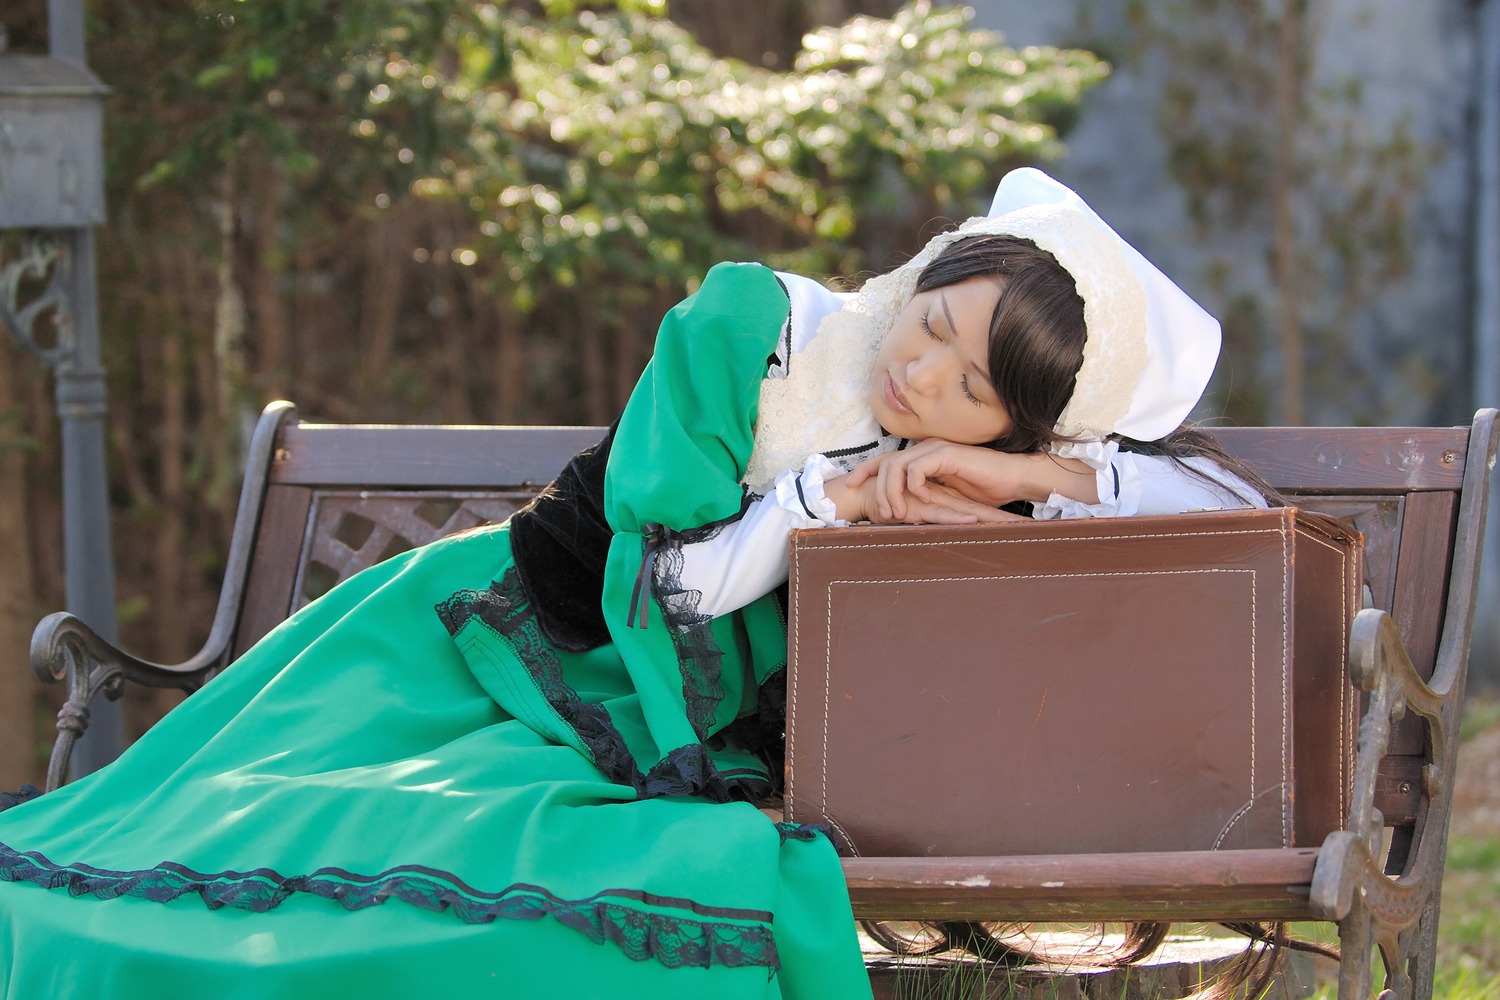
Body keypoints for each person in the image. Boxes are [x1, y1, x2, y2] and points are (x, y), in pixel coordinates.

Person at [0, 168, 1265, 999]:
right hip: (509, 652)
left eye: (970, 388)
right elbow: (674, 588)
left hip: (665, 723)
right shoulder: (759, 333)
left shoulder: (971, 463)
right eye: (930, 322)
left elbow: (1235, 512)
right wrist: (822, 502)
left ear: (1011, 420)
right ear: (921, 277)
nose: (919, 378)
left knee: (624, 878)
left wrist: (1007, 483)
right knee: (330, 834)